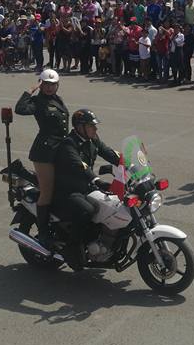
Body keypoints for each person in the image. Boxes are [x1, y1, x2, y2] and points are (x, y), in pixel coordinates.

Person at [51, 109, 121, 269]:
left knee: (111, 205)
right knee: (87, 211)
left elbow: (108, 152)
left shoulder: (92, 139)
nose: (95, 129)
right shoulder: (69, 143)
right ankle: (73, 249)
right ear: (80, 127)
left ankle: (101, 242)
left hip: (86, 187)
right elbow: (80, 165)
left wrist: (128, 162)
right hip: (68, 190)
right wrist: (97, 180)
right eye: (91, 126)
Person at [14, 68, 69, 249]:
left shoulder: (58, 100)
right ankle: (44, 234)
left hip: (60, 151)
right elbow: (20, 109)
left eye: (53, 84)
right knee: (47, 191)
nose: (49, 87)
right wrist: (30, 90)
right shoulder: (38, 102)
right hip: (44, 152)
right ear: (41, 84)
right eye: (46, 84)